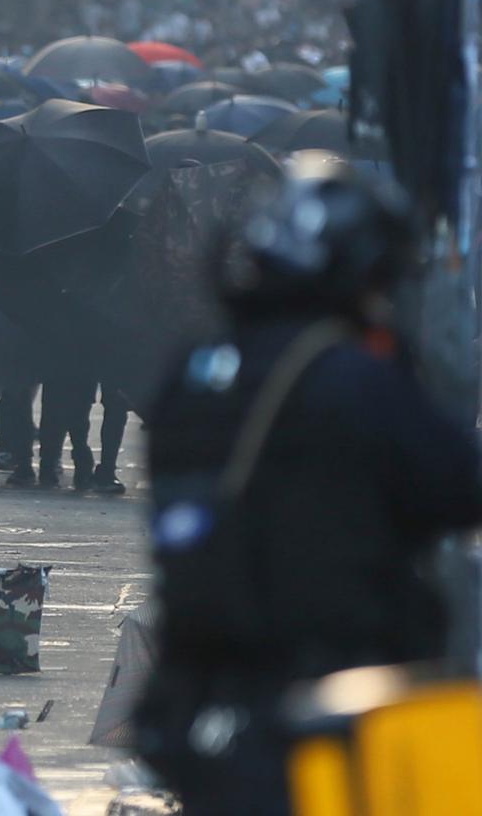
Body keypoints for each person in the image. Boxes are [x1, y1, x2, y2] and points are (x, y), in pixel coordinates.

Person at [138, 159, 482, 815]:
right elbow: (457, 486)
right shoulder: (352, 377)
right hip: (332, 686)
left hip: (199, 687)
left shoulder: (196, 369)